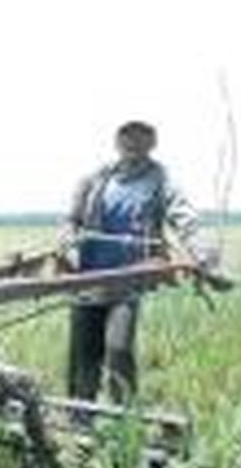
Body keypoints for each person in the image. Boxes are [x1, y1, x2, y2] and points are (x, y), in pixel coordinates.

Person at [62, 120, 213, 404]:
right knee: (84, 354)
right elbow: (71, 221)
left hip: (128, 280)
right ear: (117, 142)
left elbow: (185, 218)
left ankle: (124, 416)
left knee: (118, 350)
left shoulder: (160, 180)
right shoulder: (95, 179)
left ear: (152, 143)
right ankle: (79, 416)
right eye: (127, 136)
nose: (133, 142)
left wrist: (203, 253)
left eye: (142, 136)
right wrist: (69, 240)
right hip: (86, 278)